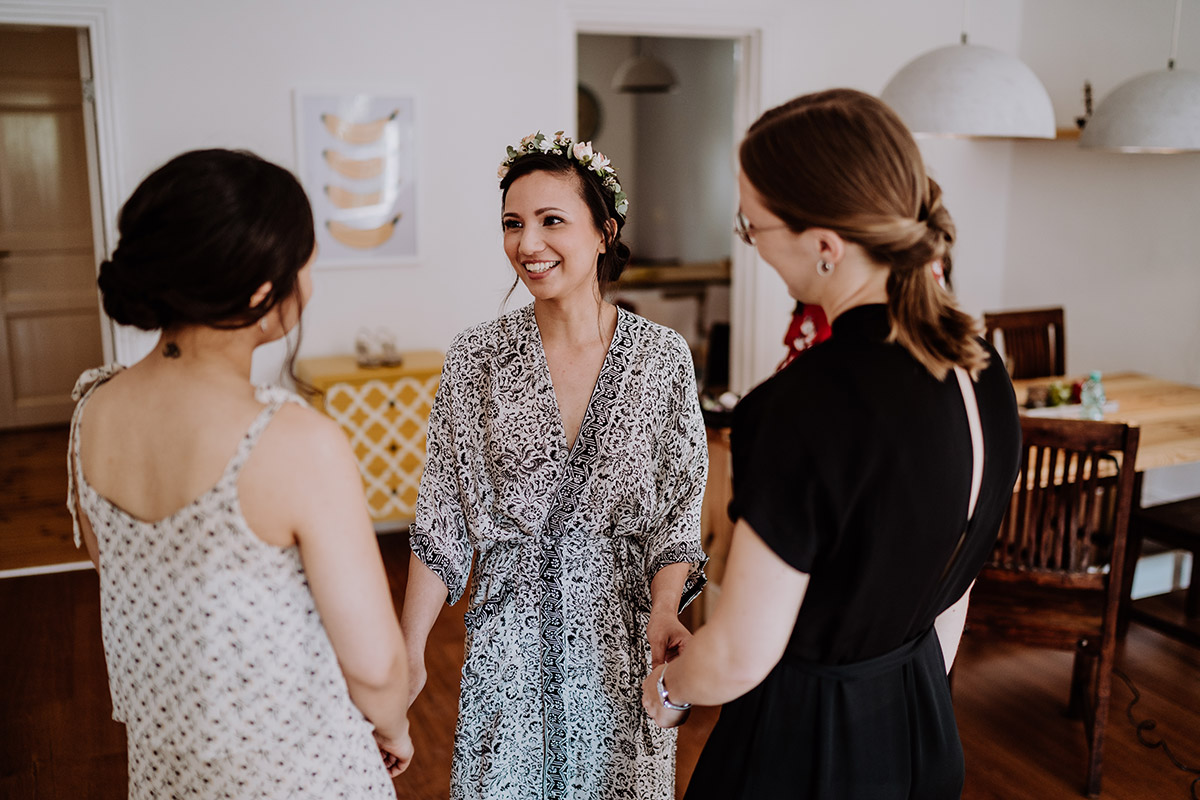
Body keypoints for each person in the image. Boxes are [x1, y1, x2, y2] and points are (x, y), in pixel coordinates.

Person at [640, 89, 1022, 800]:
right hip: (922, 726)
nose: (749, 240)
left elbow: (739, 655)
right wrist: (899, 690)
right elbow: (952, 595)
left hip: (804, 752)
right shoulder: (982, 368)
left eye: (753, 226)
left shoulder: (801, 406)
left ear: (824, 246)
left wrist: (667, 690)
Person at [67, 149, 412, 798]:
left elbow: (109, 559)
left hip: (170, 766)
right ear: (261, 292)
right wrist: (393, 727)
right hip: (291, 773)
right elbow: (375, 664)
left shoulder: (92, 408)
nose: (309, 283)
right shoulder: (292, 441)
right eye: (307, 264)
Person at [403, 131, 708, 800]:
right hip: (507, 650)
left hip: (624, 648)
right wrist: (409, 654)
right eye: (512, 223)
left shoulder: (662, 359)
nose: (528, 244)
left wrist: (665, 606)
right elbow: (441, 516)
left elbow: (679, 511)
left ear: (605, 231)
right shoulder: (476, 358)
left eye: (551, 221)